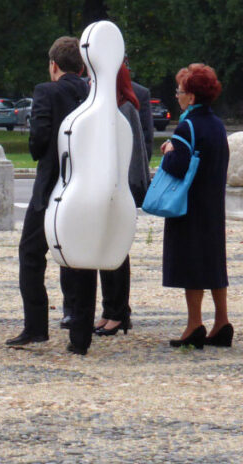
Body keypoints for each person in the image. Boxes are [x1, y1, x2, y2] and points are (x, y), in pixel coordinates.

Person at [7, 37, 89, 349]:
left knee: (31, 254)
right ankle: (80, 335)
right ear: (81, 66)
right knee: (81, 258)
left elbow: (38, 142)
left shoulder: (47, 91)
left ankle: (36, 325)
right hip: (85, 186)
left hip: (52, 185)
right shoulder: (94, 92)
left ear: (53, 65)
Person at [160, 64, 231, 349]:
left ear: (191, 97)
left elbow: (178, 167)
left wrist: (167, 151)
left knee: (192, 264)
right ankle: (222, 321)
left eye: (179, 91)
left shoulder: (186, 126)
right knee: (214, 263)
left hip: (189, 207)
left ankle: (194, 324)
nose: (177, 96)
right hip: (213, 205)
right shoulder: (217, 124)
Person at [93, 64, 150, 337]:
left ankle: (119, 311)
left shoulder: (126, 107)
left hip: (119, 188)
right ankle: (109, 309)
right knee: (105, 249)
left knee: (115, 250)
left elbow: (134, 155)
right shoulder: (112, 106)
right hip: (107, 187)